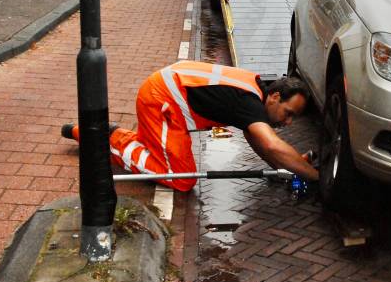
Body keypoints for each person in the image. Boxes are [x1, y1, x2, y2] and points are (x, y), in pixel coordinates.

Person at [64, 61, 319, 192]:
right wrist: (315, 177)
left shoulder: (254, 90)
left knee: (162, 155)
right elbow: (270, 143)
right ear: (275, 97)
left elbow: (263, 144)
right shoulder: (249, 103)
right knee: (180, 179)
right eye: (288, 114)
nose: (287, 122)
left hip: (164, 98)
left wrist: (285, 167)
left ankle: (92, 134)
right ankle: (106, 140)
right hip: (161, 104)